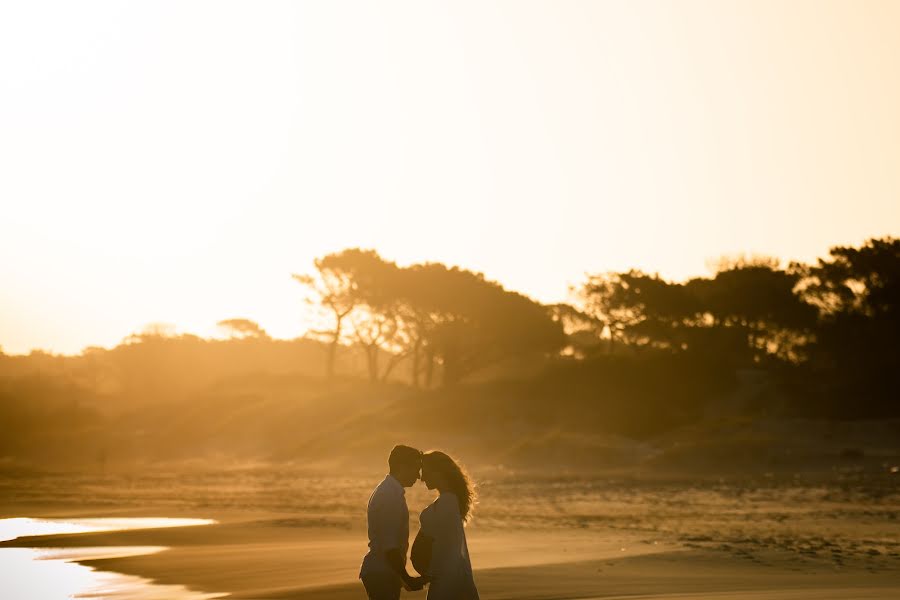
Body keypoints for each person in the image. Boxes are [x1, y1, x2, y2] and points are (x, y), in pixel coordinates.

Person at [360, 445, 428, 600]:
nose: (418, 476)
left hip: (383, 571)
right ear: (402, 467)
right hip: (381, 572)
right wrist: (406, 577)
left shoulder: (390, 491)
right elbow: (389, 546)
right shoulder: (389, 496)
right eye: (416, 468)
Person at [413, 450, 479, 600]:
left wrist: (427, 575)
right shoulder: (448, 501)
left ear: (438, 472)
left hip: (447, 582)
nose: (422, 478)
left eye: (425, 472)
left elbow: (447, 547)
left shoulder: (447, 504)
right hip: (448, 578)